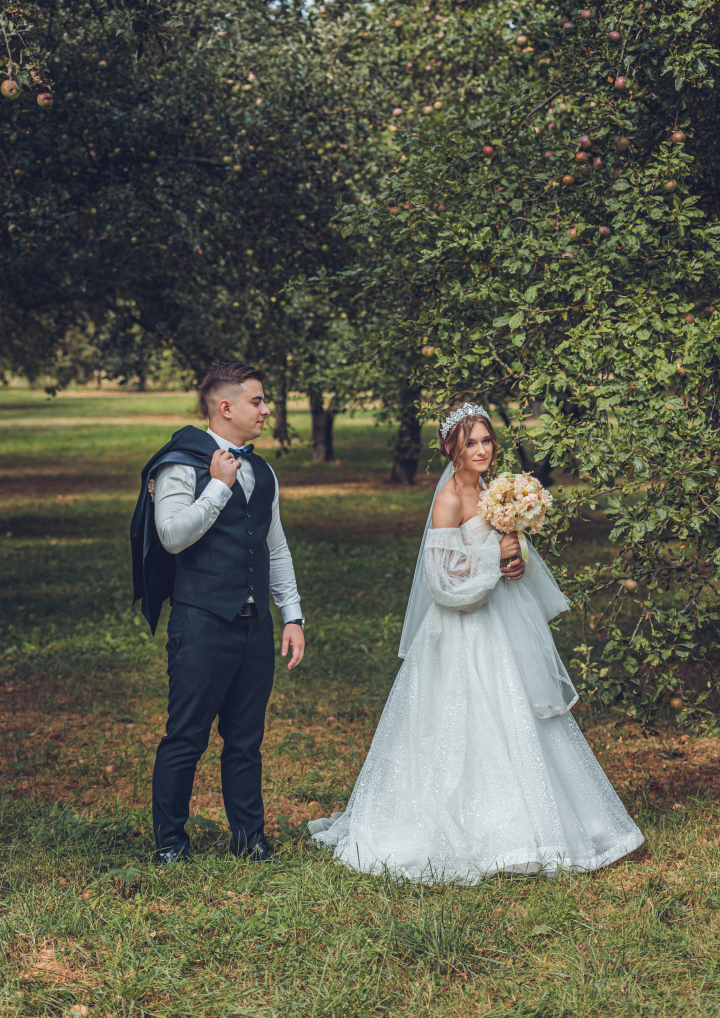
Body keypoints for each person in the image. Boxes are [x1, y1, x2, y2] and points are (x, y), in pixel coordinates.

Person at [309, 402, 643, 883]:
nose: (482, 449)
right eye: (471, 442)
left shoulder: (492, 491)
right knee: (464, 722)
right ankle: (476, 830)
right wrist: (494, 556)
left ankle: (544, 824)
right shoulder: (448, 500)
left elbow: (500, 551)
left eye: (487, 440)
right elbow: (443, 585)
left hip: (500, 620)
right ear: (451, 448)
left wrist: (516, 557)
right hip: (461, 632)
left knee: (519, 715)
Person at [131, 362, 305, 863]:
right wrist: (218, 487)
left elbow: (276, 548)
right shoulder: (180, 464)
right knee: (186, 737)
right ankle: (170, 843)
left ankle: (249, 838)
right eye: (257, 401)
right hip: (201, 621)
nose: (267, 409)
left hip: (254, 627)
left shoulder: (264, 470)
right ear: (226, 407)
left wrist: (292, 615)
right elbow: (171, 536)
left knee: (246, 739)